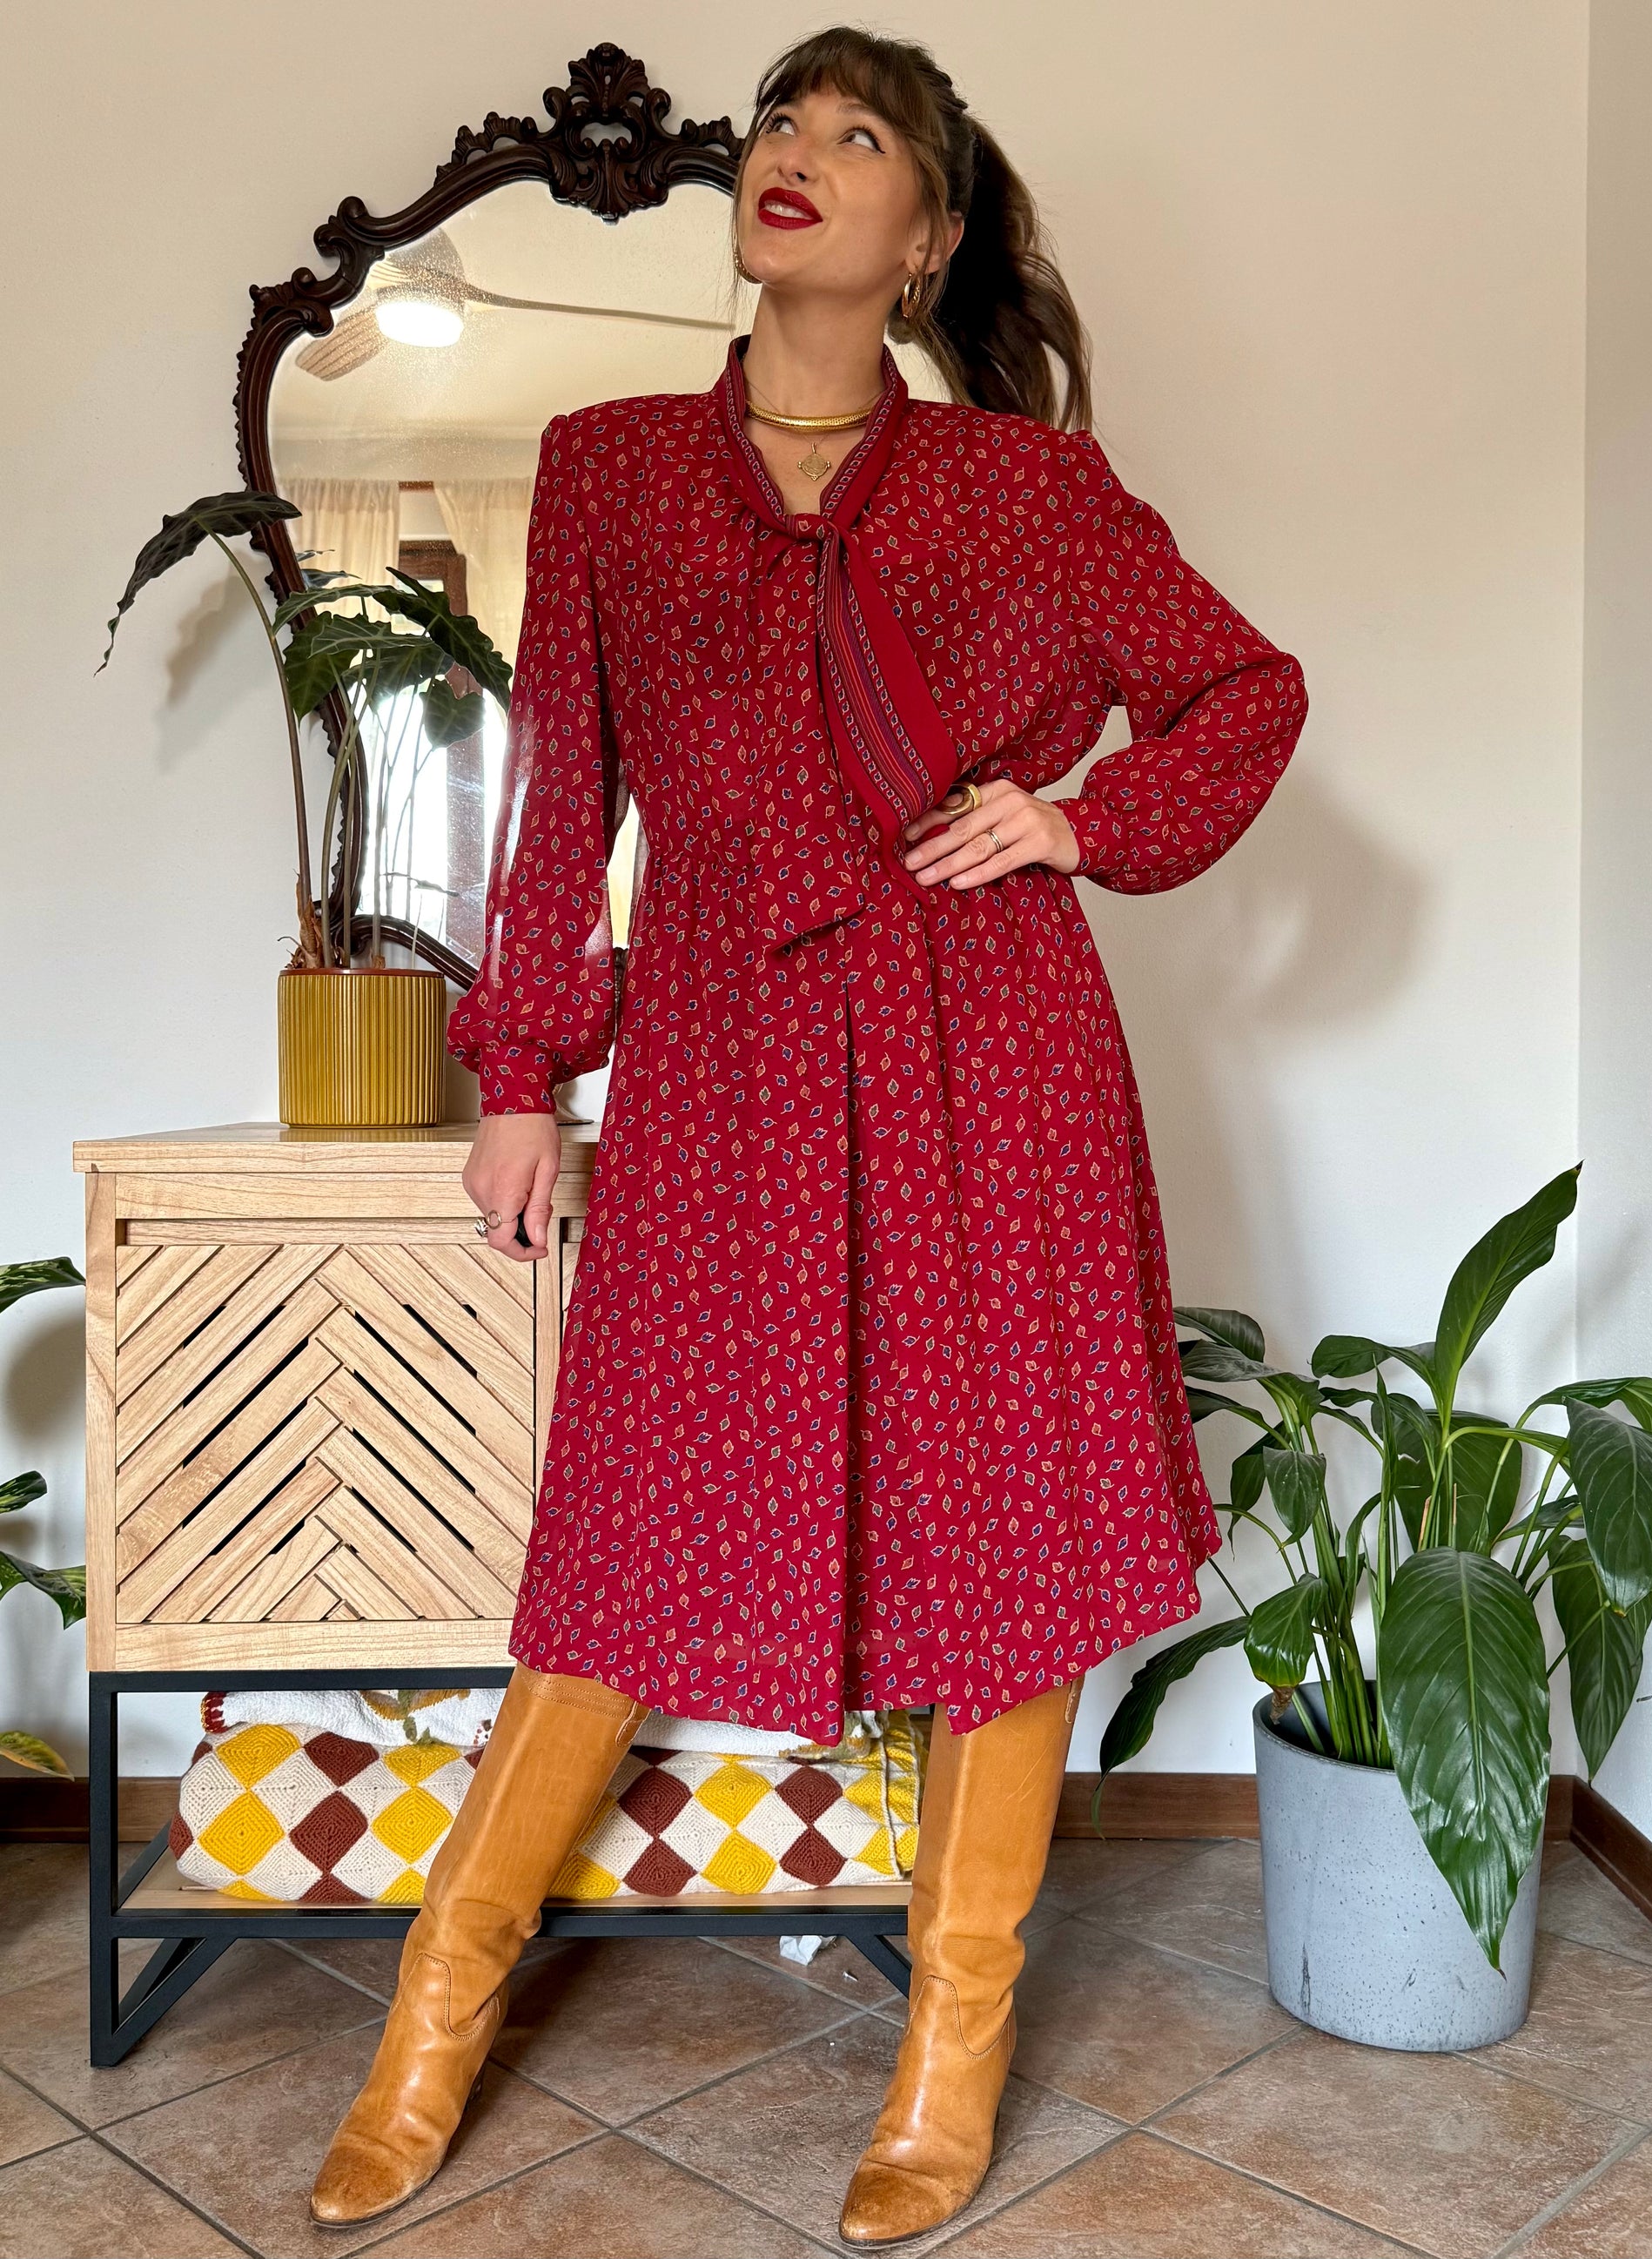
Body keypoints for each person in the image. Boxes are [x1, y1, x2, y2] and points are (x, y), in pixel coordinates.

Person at [309, 24, 1306, 2247]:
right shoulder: (607, 467)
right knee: (628, 1528)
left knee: (1005, 1530)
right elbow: (565, 798)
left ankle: (949, 2048)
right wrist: (521, 1069)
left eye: (861, 138)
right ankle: (432, 2022)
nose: (799, 154)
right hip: (724, 1054)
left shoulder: (1030, 491)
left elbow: (1245, 688)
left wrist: (1075, 819)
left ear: (924, 236)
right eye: (783, 118)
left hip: (990, 1048)